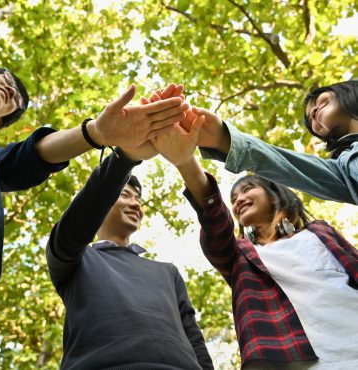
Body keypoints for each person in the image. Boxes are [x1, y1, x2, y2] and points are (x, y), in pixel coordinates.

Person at [151, 118, 358, 369]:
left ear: (273, 194)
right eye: (234, 198)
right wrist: (185, 161)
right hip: (294, 358)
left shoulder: (320, 231)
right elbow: (214, 220)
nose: (239, 200)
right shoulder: (239, 255)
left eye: (247, 189)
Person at [0, 66, 189, 285]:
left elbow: (30, 157)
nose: (10, 89)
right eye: (7, 78)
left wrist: (96, 133)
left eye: (16, 99)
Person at [45, 141, 214, 369]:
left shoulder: (167, 272)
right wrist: (125, 158)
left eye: (138, 200)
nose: (135, 204)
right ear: (102, 203)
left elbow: (194, 338)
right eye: (125, 195)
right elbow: (70, 231)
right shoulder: (76, 257)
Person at [142, 80, 358, 205]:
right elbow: (287, 165)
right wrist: (222, 139)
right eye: (310, 119)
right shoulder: (344, 169)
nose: (313, 113)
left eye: (318, 100)